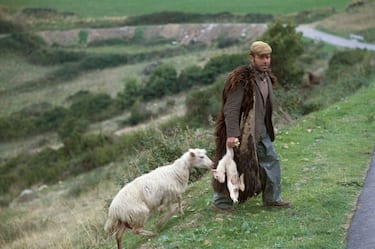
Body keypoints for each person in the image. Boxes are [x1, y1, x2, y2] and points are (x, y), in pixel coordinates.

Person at [211, 41, 290, 212]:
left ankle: (272, 199)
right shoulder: (241, 80)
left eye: (268, 57)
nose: (266, 61)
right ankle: (221, 202)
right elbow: (230, 109)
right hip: (242, 133)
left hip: (260, 131)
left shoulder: (266, 77)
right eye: (261, 57)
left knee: (271, 160)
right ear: (252, 58)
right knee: (233, 165)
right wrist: (232, 135)